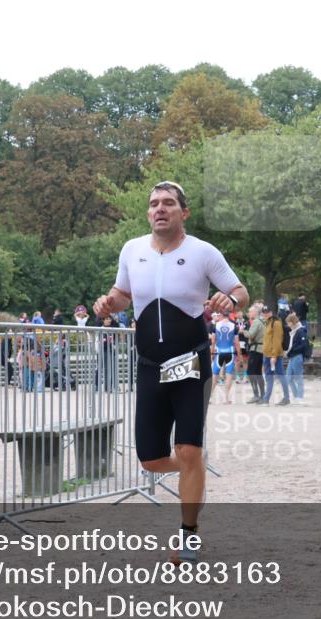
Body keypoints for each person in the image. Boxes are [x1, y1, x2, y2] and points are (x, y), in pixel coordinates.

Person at [93, 180, 248, 564]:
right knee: (150, 459)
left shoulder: (203, 252)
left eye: (167, 203)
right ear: (148, 213)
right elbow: (122, 294)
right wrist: (108, 303)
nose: (159, 209)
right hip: (149, 365)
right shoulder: (132, 249)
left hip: (190, 364)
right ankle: (192, 466)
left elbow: (241, 292)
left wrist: (229, 299)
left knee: (188, 448)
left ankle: (189, 534)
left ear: (184, 212)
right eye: (153, 204)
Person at [209, 310, 240, 405]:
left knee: (215, 375)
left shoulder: (216, 325)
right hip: (230, 352)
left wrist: (211, 353)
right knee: (229, 375)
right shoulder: (234, 325)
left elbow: (213, 340)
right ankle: (225, 398)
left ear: (221, 315)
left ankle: (209, 397)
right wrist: (239, 354)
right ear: (229, 315)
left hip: (219, 352)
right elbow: (236, 342)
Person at [260, 305, 289, 405]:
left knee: (281, 376)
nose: (265, 314)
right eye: (263, 312)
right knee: (268, 377)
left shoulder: (276, 323)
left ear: (272, 312)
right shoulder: (268, 323)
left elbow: (277, 341)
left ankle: (286, 398)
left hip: (274, 355)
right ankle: (266, 398)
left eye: (267, 312)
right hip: (267, 354)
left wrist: (274, 356)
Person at [245, 304, 266, 404]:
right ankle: (262, 395)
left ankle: (257, 395)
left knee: (251, 373)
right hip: (261, 350)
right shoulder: (263, 321)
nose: (248, 313)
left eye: (250, 311)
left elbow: (250, 335)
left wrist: (242, 331)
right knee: (258, 373)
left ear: (254, 312)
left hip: (255, 349)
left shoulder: (256, 322)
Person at [285, 313, 307, 404]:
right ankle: (296, 395)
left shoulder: (300, 331)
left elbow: (303, 345)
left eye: (289, 322)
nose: (288, 325)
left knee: (298, 378)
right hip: (292, 356)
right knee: (288, 378)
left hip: (297, 356)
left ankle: (300, 397)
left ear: (293, 322)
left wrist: (291, 351)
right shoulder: (293, 331)